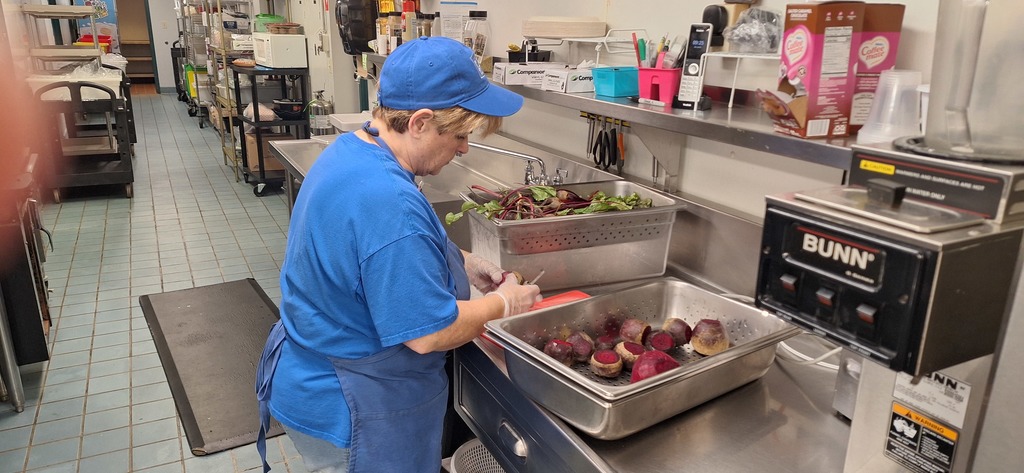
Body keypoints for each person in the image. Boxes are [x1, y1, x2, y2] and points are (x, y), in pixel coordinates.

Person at [255, 36, 543, 473]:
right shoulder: (389, 201)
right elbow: (426, 333)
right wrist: (503, 304)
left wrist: (466, 262)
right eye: (460, 134)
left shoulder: (357, 149)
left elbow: (375, 253)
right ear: (420, 122)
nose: (464, 148)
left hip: (309, 375)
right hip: (355, 408)